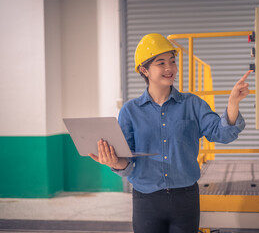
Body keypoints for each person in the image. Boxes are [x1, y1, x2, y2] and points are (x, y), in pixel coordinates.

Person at [88, 33, 250, 233]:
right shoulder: (130, 111)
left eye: (172, 62)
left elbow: (222, 133)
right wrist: (114, 162)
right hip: (146, 200)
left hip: (185, 199)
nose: (169, 68)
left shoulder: (193, 104)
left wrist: (233, 102)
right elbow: (127, 164)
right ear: (144, 70)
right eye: (161, 63)